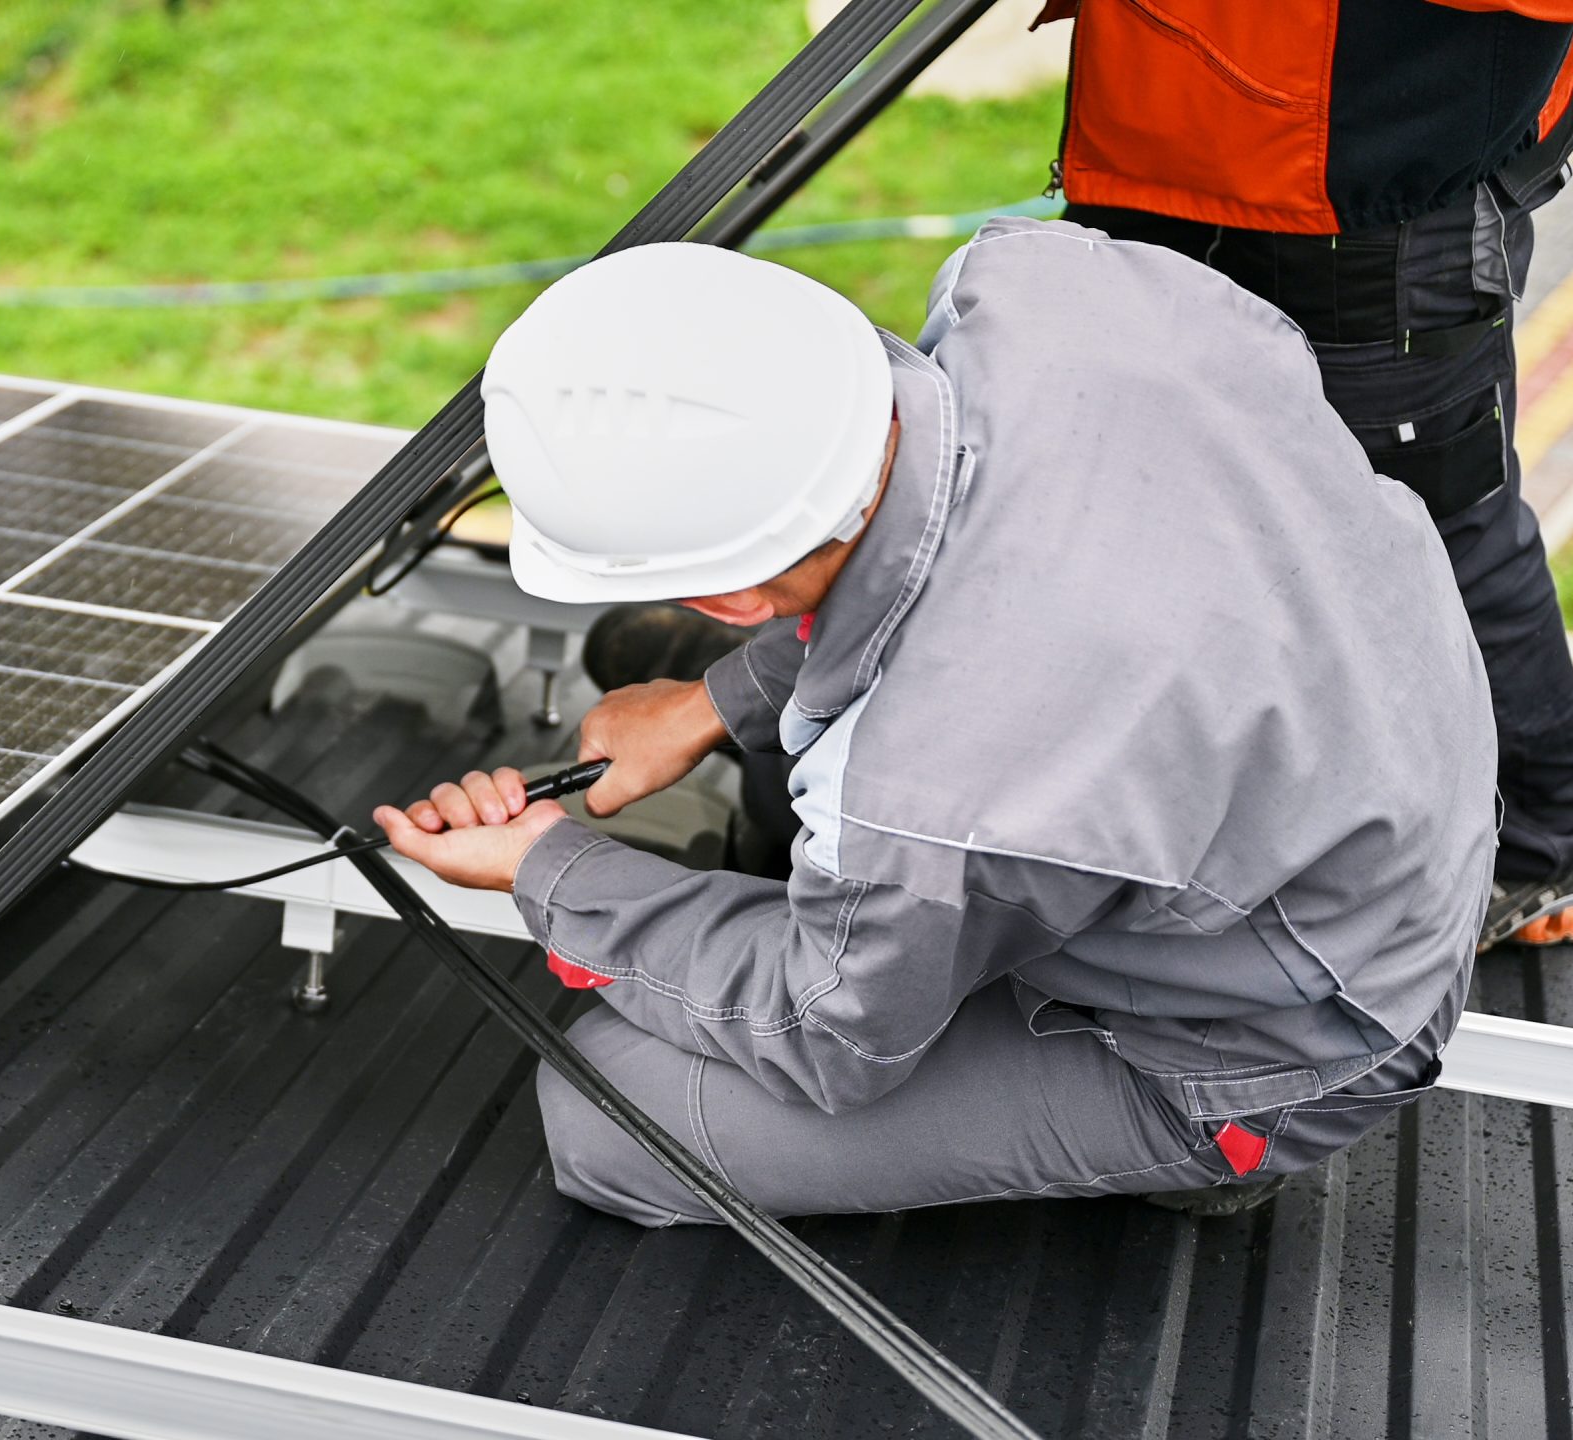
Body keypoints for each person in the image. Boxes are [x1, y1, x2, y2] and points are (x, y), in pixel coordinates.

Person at [370, 229, 1496, 1224]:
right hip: (1390, 796)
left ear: (725, 599)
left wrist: (549, 868)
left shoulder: (932, 792)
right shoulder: (1041, 289)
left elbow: (830, 1034)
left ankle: (1203, 1157)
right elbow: (966, 535)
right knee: (844, 840)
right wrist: (717, 703)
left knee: (609, 1108)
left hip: (1287, 1039)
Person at [1039, 0, 1573, 948]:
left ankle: (1546, 848)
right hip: (1182, 152)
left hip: (1368, 196)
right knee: (1168, 501)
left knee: (1437, 527)